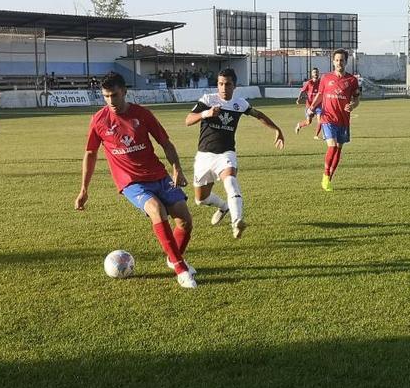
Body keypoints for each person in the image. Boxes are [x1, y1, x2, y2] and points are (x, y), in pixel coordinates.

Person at [74, 72, 197, 289]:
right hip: (131, 182)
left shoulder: (143, 114)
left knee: (185, 220)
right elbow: (90, 154)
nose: (110, 101)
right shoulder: (99, 120)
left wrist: (176, 168)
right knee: (156, 210)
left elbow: (165, 143)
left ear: (124, 92)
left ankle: (173, 257)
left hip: (158, 175)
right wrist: (84, 189)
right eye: (106, 96)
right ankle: (181, 269)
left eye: (114, 95)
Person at [185, 68, 284, 238]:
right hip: (204, 156)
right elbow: (188, 120)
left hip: (226, 153)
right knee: (200, 199)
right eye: (220, 84)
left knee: (231, 182)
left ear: (234, 86)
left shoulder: (240, 104)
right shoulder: (208, 100)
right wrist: (206, 113)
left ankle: (237, 221)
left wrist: (277, 129)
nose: (224, 87)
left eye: (228, 84)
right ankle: (224, 207)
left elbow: (258, 114)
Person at [308, 48, 361, 192]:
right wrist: (311, 107)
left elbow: (357, 99)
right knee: (331, 146)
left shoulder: (352, 80)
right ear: (333, 61)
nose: (339, 63)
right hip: (327, 118)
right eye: (337, 60)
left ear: (346, 62)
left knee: (338, 148)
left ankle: (330, 177)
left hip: (343, 120)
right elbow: (320, 95)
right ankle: (325, 175)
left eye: (342, 60)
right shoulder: (325, 78)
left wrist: (353, 106)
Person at [294, 68, 323, 138]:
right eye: (314, 72)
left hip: (319, 105)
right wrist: (298, 99)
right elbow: (302, 91)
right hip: (309, 106)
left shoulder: (321, 83)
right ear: (312, 74)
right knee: (308, 122)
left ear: (318, 73)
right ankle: (299, 125)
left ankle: (316, 135)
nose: (315, 74)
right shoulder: (309, 83)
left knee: (320, 120)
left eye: (317, 72)